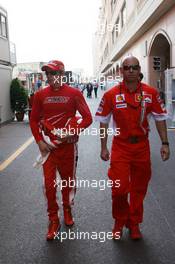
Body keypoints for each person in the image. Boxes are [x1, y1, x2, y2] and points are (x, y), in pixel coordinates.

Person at [95, 56, 170, 240]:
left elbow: (160, 119)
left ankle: (134, 223)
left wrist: (165, 143)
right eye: (127, 68)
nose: (130, 71)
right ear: (122, 71)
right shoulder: (111, 94)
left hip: (141, 147)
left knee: (139, 188)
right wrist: (103, 147)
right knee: (119, 189)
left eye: (134, 68)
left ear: (139, 70)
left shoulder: (150, 93)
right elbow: (103, 122)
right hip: (120, 147)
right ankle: (119, 221)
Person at [30, 60, 92, 240]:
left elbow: (87, 118)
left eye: (53, 73)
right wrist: (40, 142)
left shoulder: (74, 94)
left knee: (67, 182)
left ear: (62, 75)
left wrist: (73, 131)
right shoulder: (40, 95)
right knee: (48, 186)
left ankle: (67, 209)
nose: (49, 76)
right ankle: (53, 219)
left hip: (68, 148)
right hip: (48, 147)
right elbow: (34, 120)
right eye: (47, 73)